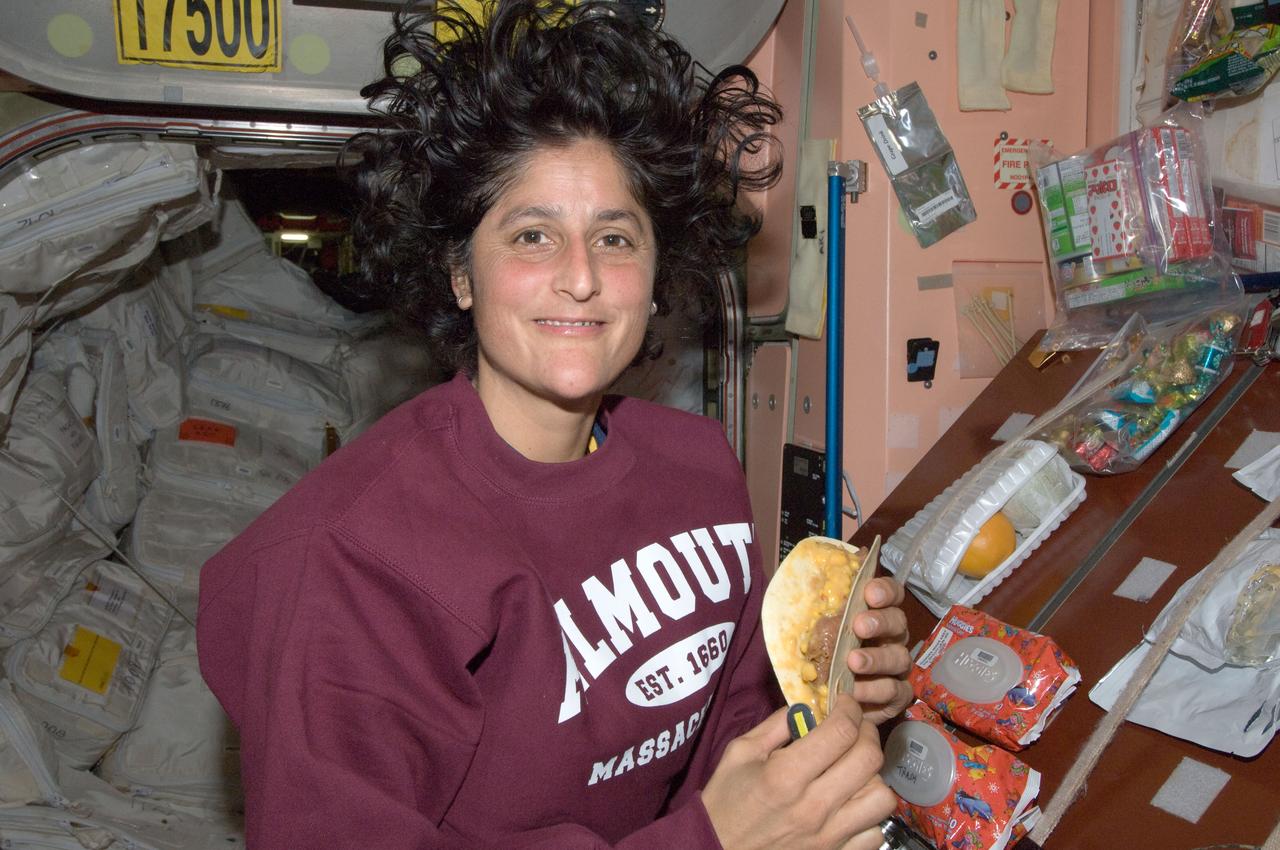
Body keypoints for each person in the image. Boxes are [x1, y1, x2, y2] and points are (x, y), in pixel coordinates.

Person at [196, 2, 913, 847]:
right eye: (532, 235)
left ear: (655, 275)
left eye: (615, 237)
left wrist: (832, 698)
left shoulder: (697, 468)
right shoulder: (349, 561)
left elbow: (734, 726)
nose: (580, 278)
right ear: (461, 274)